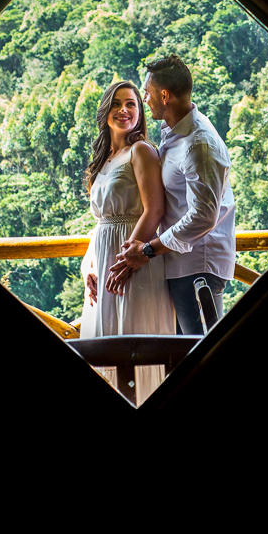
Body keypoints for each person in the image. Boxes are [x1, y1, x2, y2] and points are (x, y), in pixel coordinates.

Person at [111, 55, 236, 335]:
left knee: (200, 349)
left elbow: (203, 217)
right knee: (181, 350)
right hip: (179, 264)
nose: (145, 99)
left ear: (164, 95)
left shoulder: (198, 143)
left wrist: (148, 250)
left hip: (197, 267)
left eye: (147, 93)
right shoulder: (174, 132)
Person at [79, 80, 174, 400]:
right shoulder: (104, 160)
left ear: (140, 112)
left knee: (134, 340)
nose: (124, 110)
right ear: (106, 111)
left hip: (134, 262)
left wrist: (127, 261)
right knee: (105, 344)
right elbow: (101, 224)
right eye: (117, 104)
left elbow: (155, 209)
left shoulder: (141, 151)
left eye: (131, 103)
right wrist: (88, 266)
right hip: (105, 264)